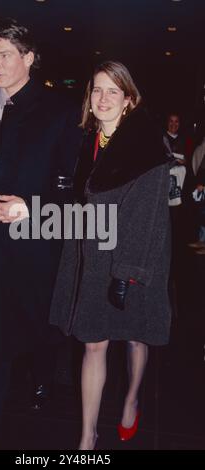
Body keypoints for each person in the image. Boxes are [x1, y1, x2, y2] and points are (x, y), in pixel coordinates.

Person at [0, 19, 81, 447]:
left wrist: (31, 208)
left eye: (5, 55)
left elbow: (75, 192)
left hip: (35, 247)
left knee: (40, 329)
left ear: (29, 59)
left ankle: (45, 373)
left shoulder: (60, 112)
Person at [50, 61, 171, 449]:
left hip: (137, 258)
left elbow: (150, 215)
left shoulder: (148, 145)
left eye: (112, 91)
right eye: (96, 90)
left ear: (128, 100)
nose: (102, 99)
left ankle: (131, 398)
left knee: (136, 337)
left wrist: (128, 270)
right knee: (93, 342)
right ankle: (88, 435)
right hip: (93, 259)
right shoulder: (85, 141)